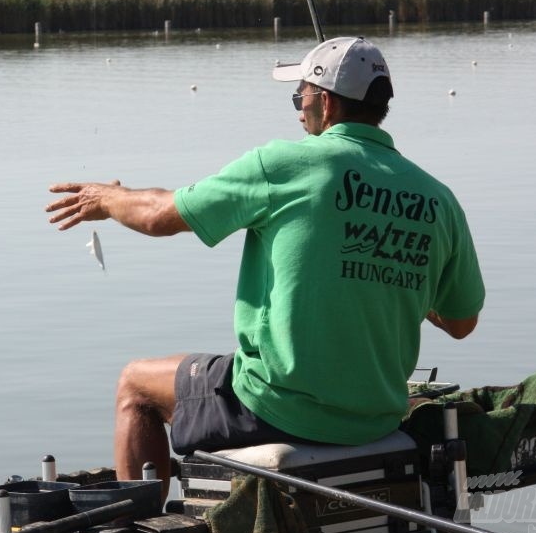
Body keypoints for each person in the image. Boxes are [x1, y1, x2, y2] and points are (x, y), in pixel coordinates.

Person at [45, 36, 484, 496]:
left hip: (277, 407)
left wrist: (109, 199)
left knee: (135, 384)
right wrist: (390, 260)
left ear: (327, 102)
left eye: (301, 96)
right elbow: (460, 321)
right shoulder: (438, 199)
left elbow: (160, 215)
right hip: (377, 415)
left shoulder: (283, 165)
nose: (297, 109)